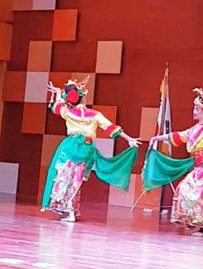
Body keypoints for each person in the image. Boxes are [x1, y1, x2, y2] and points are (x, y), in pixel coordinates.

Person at [42, 79, 140, 222]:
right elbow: (111, 128)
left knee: (64, 175)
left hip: (70, 147)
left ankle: (61, 204)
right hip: (86, 148)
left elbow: (56, 106)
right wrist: (129, 139)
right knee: (76, 178)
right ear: (83, 97)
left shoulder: (67, 112)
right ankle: (70, 210)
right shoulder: (95, 115)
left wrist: (57, 92)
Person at [147, 86, 203, 235]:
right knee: (183, 188)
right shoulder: (193, 130)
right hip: (199, 167)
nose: (194, 111)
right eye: (194, 108)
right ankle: (192, 221)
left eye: (197, 109)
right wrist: (156, 138)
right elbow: (176, 136)